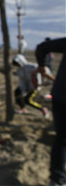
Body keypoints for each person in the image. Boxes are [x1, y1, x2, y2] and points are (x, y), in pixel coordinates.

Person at [35, 38, 66, 186]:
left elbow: (42, 47)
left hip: (59, 95)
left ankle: (56, 179)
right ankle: (57, 179)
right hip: (61, 96)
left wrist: (42, 65)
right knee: (62, 140)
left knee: (61, 139)